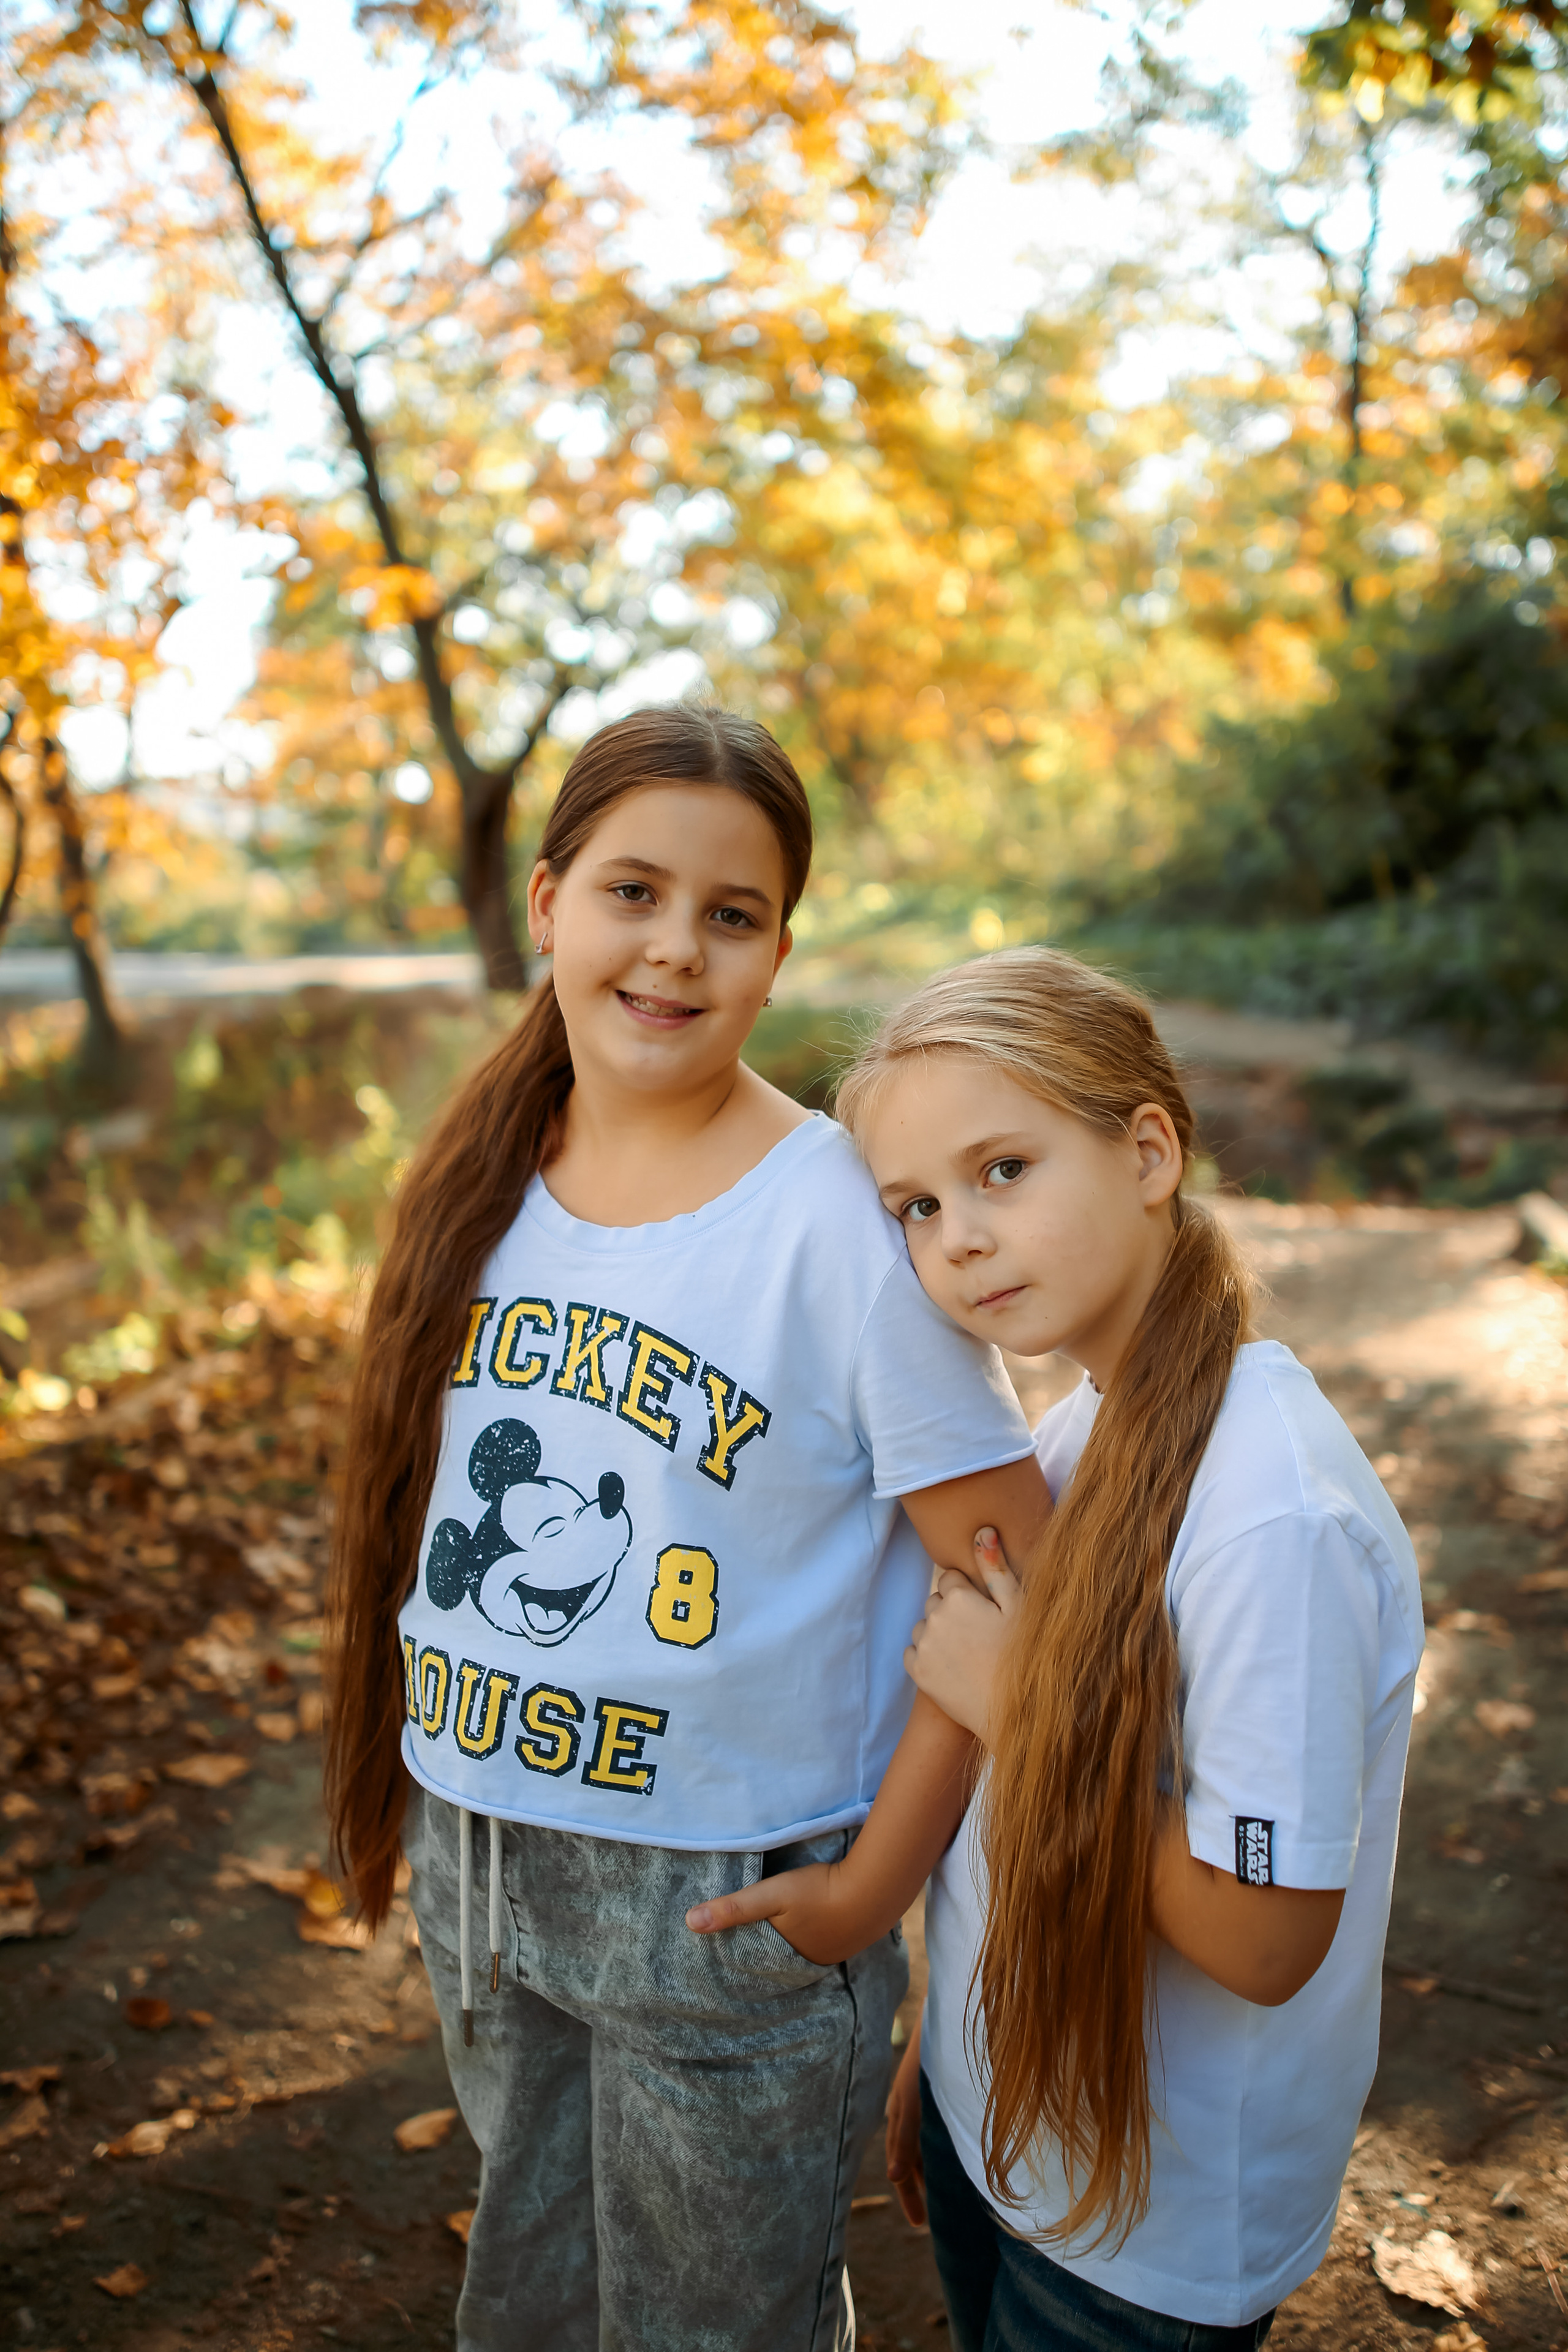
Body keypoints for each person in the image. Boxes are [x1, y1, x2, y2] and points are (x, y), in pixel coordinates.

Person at [324, 706, 1051, 2352]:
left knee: (716, 2332)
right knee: (535, 2309)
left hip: (724, 1898)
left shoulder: (840, 1223)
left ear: (780, 953)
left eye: (730, 916)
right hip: (485, 1866)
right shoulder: (481, 1179)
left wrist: (878, 1890)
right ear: (547, 906)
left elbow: (1011, 1581)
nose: (673, 950)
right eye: (633, 893)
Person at [691, 946, 1423, 2352]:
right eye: (913, 1204)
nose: (954, 1236)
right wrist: (944, 2065)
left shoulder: (1271, 1513)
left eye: (1002, 1170)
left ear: (1146, 1150)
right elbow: (1002, 1852)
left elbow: (1265, 1941)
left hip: (1148, 2240)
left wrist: (1025, 1712)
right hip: (1009, 2133)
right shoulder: (1076, 1433)